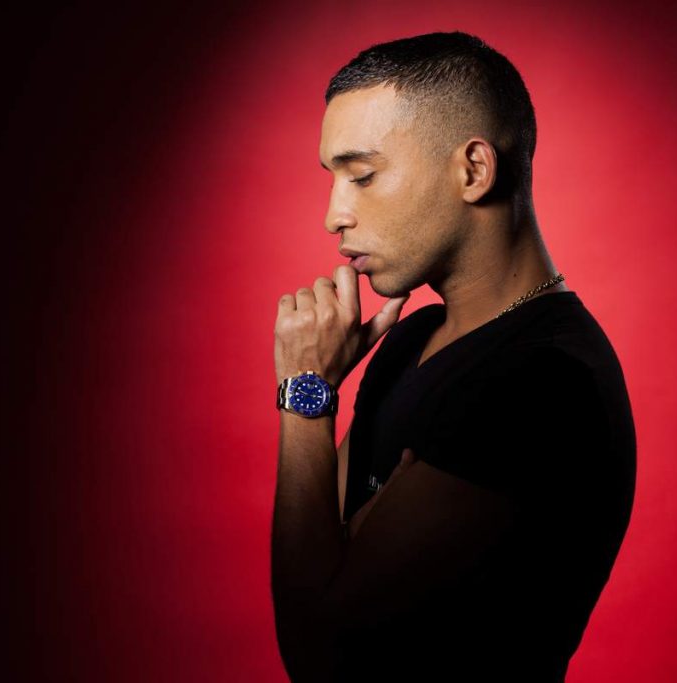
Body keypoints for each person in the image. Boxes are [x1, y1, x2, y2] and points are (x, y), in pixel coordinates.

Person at [271, 31, 636, 682]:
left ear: (473, 170)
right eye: (333, 179)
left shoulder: (543, 383)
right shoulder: (414, 336)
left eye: (362, 176)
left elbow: (316, 647)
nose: (334, 215)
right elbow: (318, 559)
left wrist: (306, 393)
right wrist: (341, 551)